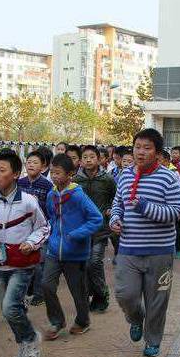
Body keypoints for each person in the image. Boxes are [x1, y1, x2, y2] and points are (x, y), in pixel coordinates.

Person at [110, 128, 180, 357]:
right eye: (137, 147)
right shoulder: (125, 175)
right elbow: (118, 203)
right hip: (129, 248)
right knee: (125, 294)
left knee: (157, 300)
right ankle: (135, 318)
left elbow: (176, 212)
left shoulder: (169, 177)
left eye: (147, 148)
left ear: (157, 152)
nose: (140, 152)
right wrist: (115, 218)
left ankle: (153, 340)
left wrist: (145, 207)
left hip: (159, 251)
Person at [0, 150, 50, 357]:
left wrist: (32, 243)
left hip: (22, 265)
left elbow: (44, 228)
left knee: (9, 308)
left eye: (2, 170)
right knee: (11, 311)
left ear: (16, 173)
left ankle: (30, 339)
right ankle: (24, 342)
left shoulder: (28, 202)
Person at [43, 154, 103, 340]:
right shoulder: (51, 194)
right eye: (52, 172)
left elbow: (97, 219)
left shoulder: (78, 196)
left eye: (58, 173)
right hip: (54, 250)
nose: (54, 176)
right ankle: (57, 321)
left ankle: (83, 321)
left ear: (70, 174)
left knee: (78, 291)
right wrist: (50, 236)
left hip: (75, 253)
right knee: (46, 285)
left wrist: (76, 235)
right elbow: (52, 217)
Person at [74, 145, 117, 312]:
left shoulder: (107, 179)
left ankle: (101, 294)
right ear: (81, 161)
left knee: (94, 262)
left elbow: (116, 198)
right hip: (81, 230)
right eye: (85, 157)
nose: (88, 160)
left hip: (100, 229)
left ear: (99, 159)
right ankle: (87, 296)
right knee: (83, 264)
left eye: (92, 156)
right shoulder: (76, 182)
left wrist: (109, 209)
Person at [18, 149, 54, 307]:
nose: (31, 165)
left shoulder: (47, 185)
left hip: (41, 228)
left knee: (40, 262)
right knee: (23, 260)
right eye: (29, 162)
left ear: (43, 166)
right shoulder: (20, 183)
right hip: (23, 228)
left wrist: (35, 202)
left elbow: (51, 208)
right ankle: (25, 292)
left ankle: (39, 294)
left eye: (35, 162)